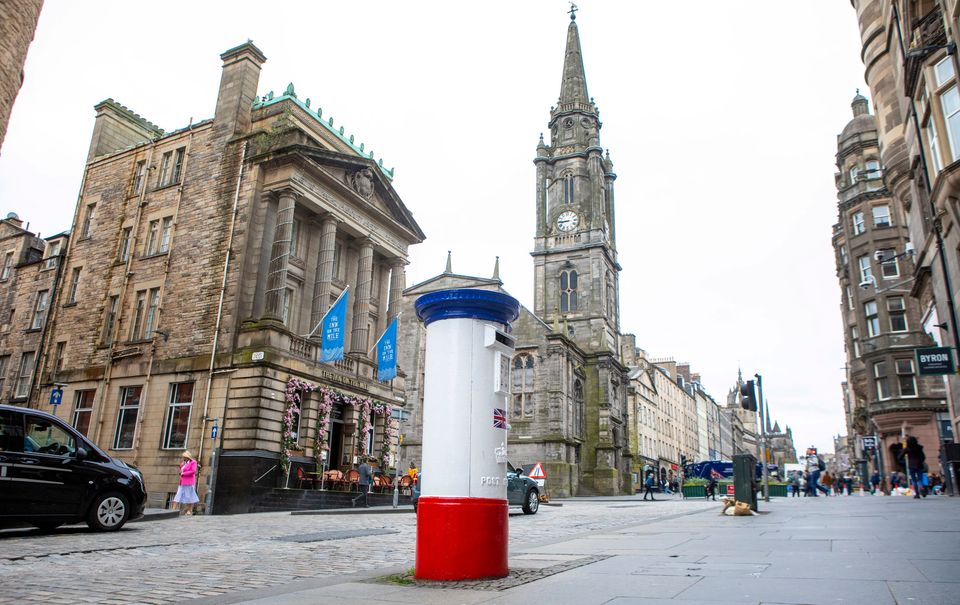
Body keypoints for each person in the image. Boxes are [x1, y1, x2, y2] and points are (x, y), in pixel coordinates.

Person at [173, 451, 199, 515]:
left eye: (185, 457)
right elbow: (181, 470)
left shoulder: (193, 462)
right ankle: (173, 510)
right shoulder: (183, 463)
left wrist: (183, 473)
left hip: (189, 482)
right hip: (182, 482)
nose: (184, 458)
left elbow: (193, 471)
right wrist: (181, 471)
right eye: (183, 457)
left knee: (189, 496)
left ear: (188, 457)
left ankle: (189, 511)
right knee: (178, 494)